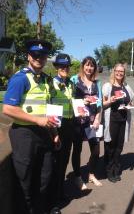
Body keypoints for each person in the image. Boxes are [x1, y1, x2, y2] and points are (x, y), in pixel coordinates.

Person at [2, 39, 60, 214]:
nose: (39, 58)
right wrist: (37, 120)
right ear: (29, 56)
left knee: (44, 177)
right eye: (35, 55)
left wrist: (55, 132)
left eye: (42, 56)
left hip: (45, 134)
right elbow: (8, 109)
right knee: (24, 180)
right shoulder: (20, 78)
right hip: (24, 135)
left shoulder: (45, 80)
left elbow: (48, 108)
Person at [70, 56, 102, 190]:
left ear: (94, 68)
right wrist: (82, 102)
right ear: (83, 66)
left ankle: (91, 174)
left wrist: (98, 119)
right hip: (78, 121)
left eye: (92, 66)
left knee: (96, 150)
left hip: (92, 121)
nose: (89, 68)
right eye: (87, 65)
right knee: (77, 149)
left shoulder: (97, 83)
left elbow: (99, 102)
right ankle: (77, 177)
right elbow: (70, 99)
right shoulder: (74, 80)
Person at [48, 53, 74, 214]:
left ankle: (59, 191)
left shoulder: (70, 83)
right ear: (56, 67)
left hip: (69, 125)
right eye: (62, 66)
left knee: (64, 161)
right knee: (54, 164)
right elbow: (48, 106)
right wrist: (54, 131)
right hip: (56, 127)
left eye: (67, 66)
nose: (65, 68)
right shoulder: (51, 83)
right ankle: (53, 201)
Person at [102, 63, 134, 183]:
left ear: (124, 73)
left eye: (122, 71)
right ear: (114, 71)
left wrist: (129, 106)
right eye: (118, 71)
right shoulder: (107, 86)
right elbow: (102, 104)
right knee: (110, 146)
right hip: (112, 120)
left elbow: (130, 101)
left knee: (119, 146)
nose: (119, 73)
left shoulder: (126, 86)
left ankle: (116, 167)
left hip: (123, 120)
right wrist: (110, 101)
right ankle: (109, 170)